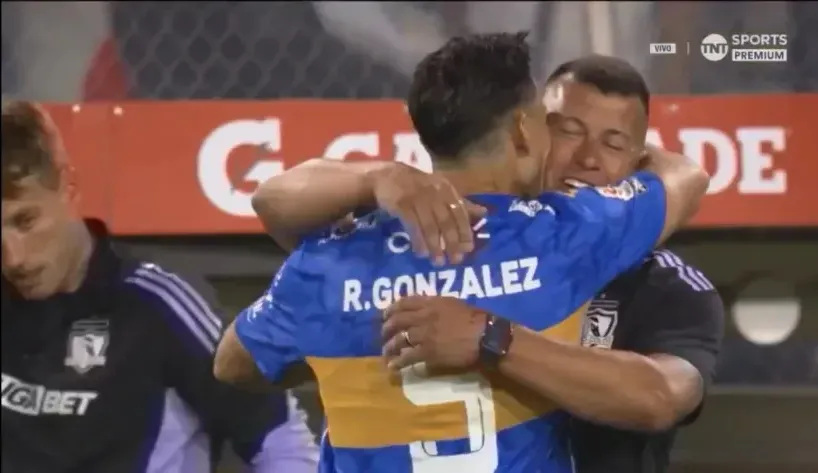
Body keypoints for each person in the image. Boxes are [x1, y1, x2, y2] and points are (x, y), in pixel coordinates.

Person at [214, 33, 708, 473]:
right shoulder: (567, 237)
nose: (583, 156)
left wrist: (347, 346)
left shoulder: (327, 261)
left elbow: (234, 364)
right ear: (522, 130)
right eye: (557, 126)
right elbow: (685, 176)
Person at [389, 55, 724, 472]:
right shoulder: (452, 235)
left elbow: (662, 399)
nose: (588, 157)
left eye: (614, 144)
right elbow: (283, 206)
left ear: (640, 164)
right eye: (568, 131)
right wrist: (372, 178)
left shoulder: (666, 284)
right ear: (527, 135)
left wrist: (493, 339)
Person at [0, 101, 317, 472]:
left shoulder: (159, 303)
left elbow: (283, 440)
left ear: (68, 187)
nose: (13, 258)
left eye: (25, 221)